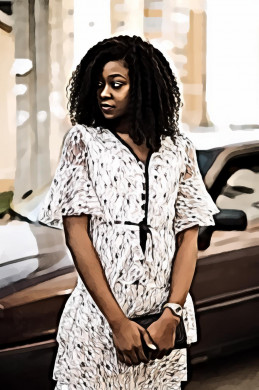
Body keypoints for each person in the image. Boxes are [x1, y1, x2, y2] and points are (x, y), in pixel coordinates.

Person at [39, 35, 219, 390]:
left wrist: (172, 314)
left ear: (145, 89)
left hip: (160, 329)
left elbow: (188, 237)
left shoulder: (179, 148)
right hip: (101, 326)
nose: (104, 93)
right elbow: (77, 236)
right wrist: (118, 323)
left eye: (116, 84)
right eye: (99, 85)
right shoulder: (84, 142)